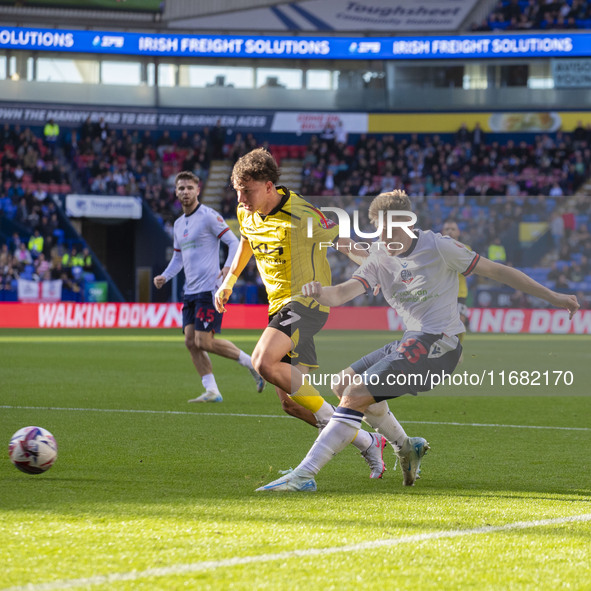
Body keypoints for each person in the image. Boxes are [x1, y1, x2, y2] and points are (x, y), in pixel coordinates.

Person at [256, 190, 579, 492]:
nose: (383, 237)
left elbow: (499, 271)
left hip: (441, 345)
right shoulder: (380, 256)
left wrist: (553, 296)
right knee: (344, 384)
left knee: (354, 395)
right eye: (378, 230)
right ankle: (406, 446)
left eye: (389, 230)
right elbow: (342, 292)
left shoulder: (440, 246)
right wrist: (319, 291)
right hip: (412, 340)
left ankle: (304, 475)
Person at [215, 148, 387, 478]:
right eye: (237, 191)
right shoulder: (245, 211)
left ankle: (332, 421)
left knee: (262, 361)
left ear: (268, 186)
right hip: (278, 306)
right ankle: (367, 440)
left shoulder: (302, 214)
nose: (241, 198)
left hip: (308, 302)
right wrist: (230, 281)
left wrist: (372, 268)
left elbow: (345, 243)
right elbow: (247, 241)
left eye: (247, 191)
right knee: (291, 403)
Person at [154, 171, 264, 403]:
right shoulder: (177, 224)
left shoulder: (208, 216)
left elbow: (234, 243)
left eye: (189, 188)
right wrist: (165, 276)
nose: (185, 192)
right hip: (190, 292)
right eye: (181, 188)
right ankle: (212, 390)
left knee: (203, 341)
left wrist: (227, 269)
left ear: (198, 189)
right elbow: (178, 257)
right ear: (176, 192)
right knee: (190, 341)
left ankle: (252, 363)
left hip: (209, 290)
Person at [441, 219, 470, 330]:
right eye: (447, 229)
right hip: (441, 292)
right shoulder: (437, 249)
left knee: (459, 322)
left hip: (459, 292)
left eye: (453, 229)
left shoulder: (465, 249)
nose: (450, 231)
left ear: (458, 232)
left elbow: (470, 271)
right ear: (442, 232)